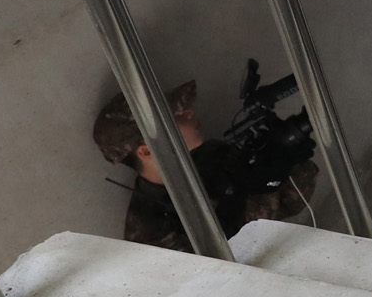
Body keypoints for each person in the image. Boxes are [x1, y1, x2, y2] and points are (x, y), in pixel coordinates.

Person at [92, 77, 319, 251]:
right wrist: (250, 193)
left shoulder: (209, 155)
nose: (189, 112)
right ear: (147, 150)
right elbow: (221, 275)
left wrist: (284, 156)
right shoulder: (150, 233)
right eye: (175, 116)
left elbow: (290, 201)